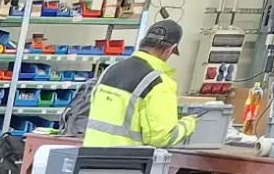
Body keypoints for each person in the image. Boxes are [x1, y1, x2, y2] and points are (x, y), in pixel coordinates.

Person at [82, 19, 196, 147]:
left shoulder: (110, 70)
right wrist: (189, 123)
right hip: (127, 158)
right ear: (170, 50)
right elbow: (161, 138)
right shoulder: (159, 83)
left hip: (89, 155)